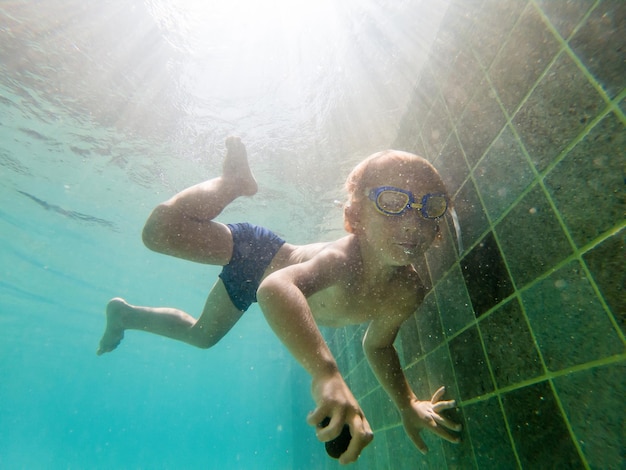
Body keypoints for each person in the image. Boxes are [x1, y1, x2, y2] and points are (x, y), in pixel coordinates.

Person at [97, 136, 461, 463]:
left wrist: (407, 402)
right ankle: (232, 184)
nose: (414, 223)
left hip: (254, 281)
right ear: (355, 215)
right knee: (159, 231)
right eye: (393, 201)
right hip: (260, 255)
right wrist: (326, 374)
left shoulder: (408, 291)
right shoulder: (343, 260)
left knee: (201, 336)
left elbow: (379, 346)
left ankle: (125, 316)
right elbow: (276, 288)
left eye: (431, 207)